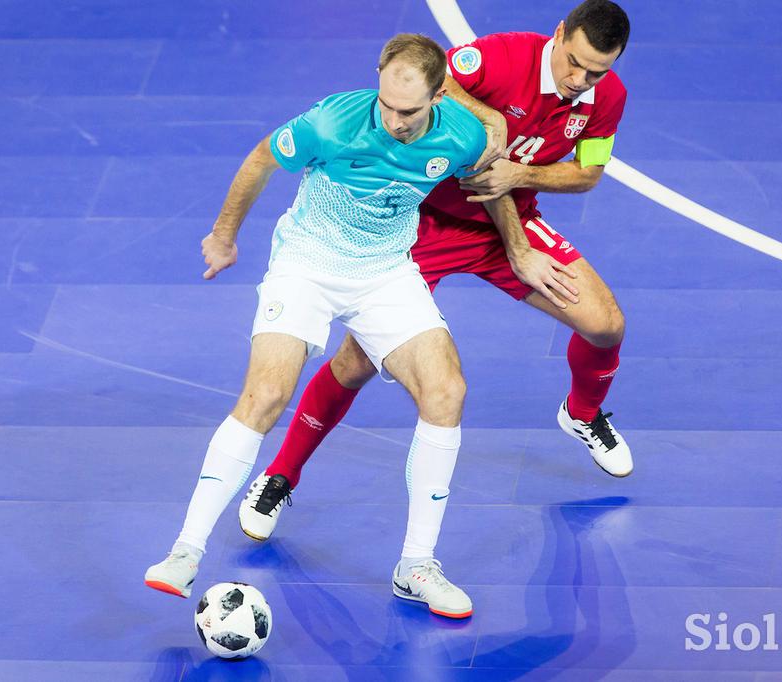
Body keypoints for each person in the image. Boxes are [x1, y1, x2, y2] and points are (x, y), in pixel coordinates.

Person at [239, 0, 633, 542]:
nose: (578, 80)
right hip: (422, 223)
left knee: (606, 323)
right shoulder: (500, 58)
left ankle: (583, 412)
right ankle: (281, 474)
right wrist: (490, 117)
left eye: (596, 71)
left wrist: (521, 174)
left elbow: (588, 173)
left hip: (509, 220)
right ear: (559, 34)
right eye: (574, 62)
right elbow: (433, 77)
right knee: (355, 364)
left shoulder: (606, 99)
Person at [144, 34, 491, 619]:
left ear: (439, 95)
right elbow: (260, 158)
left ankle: (416, 565)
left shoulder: (463, 135)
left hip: (385, 272)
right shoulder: (333, 120)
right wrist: (225, 236)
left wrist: (518, 244)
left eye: (408, 111)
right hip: (307, 263)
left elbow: (486, 178)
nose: (392, 119)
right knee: (267, 393)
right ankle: (185, 550)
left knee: (447, 390)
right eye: (385, 103)